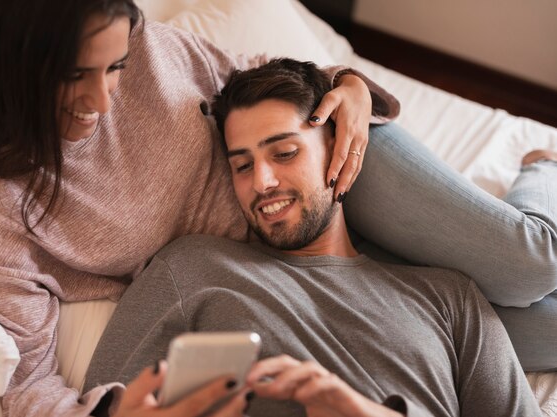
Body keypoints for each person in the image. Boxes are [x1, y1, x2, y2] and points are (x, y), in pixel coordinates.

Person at [0, 1, 400, 416]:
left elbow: (246, 80)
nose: (101, 101)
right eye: (75, 75)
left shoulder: (145, 47)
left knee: (466, 266)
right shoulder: (2, 213)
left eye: (114, 66)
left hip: (326, 174)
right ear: (8, 68)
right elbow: (26, 387)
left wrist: (344, 83)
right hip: (259, 268)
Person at [84, 58, 550, 416]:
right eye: (242, 165)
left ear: (339, 147)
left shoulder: (450, 297)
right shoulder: (191, 269)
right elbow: (106, 400)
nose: (261, 181)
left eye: (284, 153)